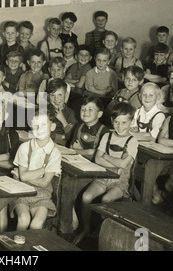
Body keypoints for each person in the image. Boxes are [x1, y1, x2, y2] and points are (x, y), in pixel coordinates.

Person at [74, 102, 138, 245]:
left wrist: (106, 158)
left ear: (131, 122)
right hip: (103, 177)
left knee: (107, 200)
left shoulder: (132, 141)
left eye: (124, 122)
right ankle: (86, 228)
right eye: (116, 122)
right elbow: (97, 159)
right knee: (86, 196)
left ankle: (103, 232)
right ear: (111, 121)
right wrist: (114, 161)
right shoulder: (107, 136)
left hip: (120, 182)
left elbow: (123, 165)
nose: (120, 127)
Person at [10, 109, 62, 231]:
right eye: (35, 125)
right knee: (24, 218)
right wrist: (43, 170)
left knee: (36, 224)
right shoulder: (24, 147)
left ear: (52, 126)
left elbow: (44, 183)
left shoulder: (55, 153)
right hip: (21, 191)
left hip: (42, 195)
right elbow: (23, 177)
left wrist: (25, 175)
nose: (39, 129)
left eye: (44, 124)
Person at [70, 96, 109, 161]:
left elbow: (101, 156)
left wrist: (80, 150)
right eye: (83, 109)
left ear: (99, 114)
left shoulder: (104, 131)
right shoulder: (79, 126)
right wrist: (89, 152)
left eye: (90, 109)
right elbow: (71, 148)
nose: (85, 112)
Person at [46, 78, 78, 146]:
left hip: (62, 147)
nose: (56, 99)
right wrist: (62, 137)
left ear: (66, 95)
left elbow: (72, 138)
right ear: (48, 96)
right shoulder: (44, 110)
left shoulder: (71, 113)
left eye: (60, 95)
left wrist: (63, 121)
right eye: (52, 95)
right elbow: (40, 133)